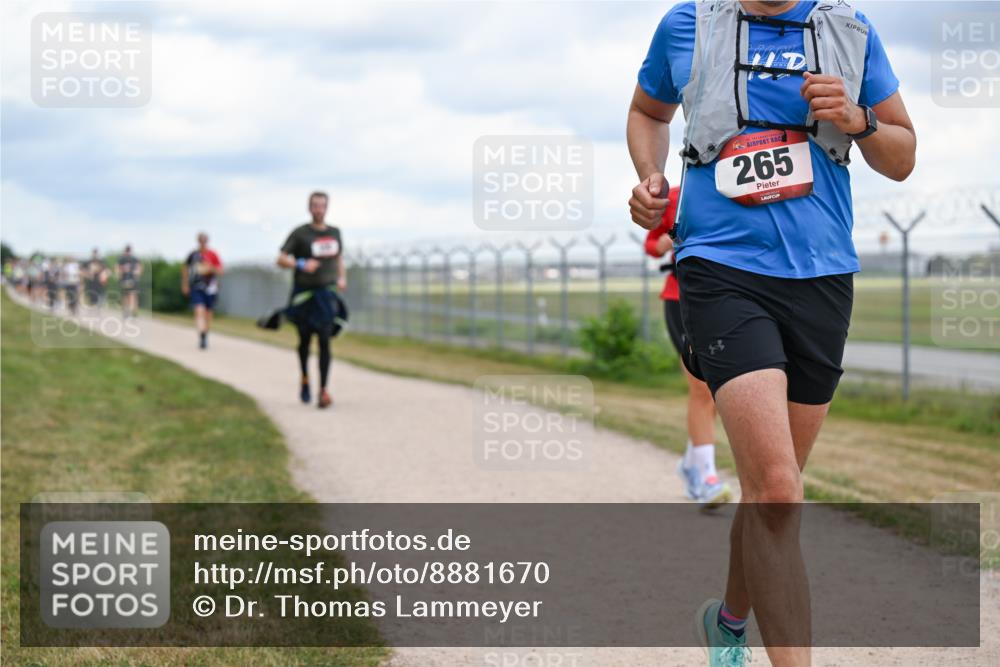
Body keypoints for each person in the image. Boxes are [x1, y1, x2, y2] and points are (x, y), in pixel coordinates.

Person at [628, 2, 915, 665]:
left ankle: (728, 622)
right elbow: (648, 112)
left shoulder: (851, 31)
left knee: (769, 493)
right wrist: (651, 175)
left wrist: (859, 119)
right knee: (780, 489)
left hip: (822, 276)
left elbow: (901, 157)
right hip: (722, 268)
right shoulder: (688, 24)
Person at [645, 185, 731, 509]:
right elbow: (651, 245)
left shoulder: (736, 179)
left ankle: (692, 460)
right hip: (681, 299)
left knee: (726, 391)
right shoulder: (676, 194)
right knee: (701, 388)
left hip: (729, 298)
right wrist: (664, 242)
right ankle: (707, 477)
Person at [276, 191, 347, 409]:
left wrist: (342, 277)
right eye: (315, 206)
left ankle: (323, 390)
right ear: (309, 208)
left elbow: (338, 258)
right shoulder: (300, 234)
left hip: (326, 295)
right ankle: (305, 379)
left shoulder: (335, 232)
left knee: (325, 340)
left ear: (327, 208)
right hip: (304, 296)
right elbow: (280, 259)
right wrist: (300, 264)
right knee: (305, 342)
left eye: (322, 206)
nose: (319, 209)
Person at [181, 233, 224, 349]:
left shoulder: (213, 254)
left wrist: (211, 268)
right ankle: (201, 335)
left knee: (208, 314)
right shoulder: (193, 255)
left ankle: (205, 334)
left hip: (210, 289)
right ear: (198, 241)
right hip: (197, 287)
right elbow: (185, 269)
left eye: (205, 240)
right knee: (199, 310)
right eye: (201, 240)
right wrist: (184, 284)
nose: (203, 242)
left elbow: (221, 271)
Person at [116, 245, 142, 318]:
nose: (128, 252)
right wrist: (119, 276)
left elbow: (139, 268)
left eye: (129, 251)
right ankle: (125, 311)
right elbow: (117, 268)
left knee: (133, 295)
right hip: (124, 280)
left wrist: (137, 274)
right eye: (127, 251)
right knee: (125, 296)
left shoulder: (135, 259)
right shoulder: (121, 259)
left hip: (133, 280)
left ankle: (134, 311)